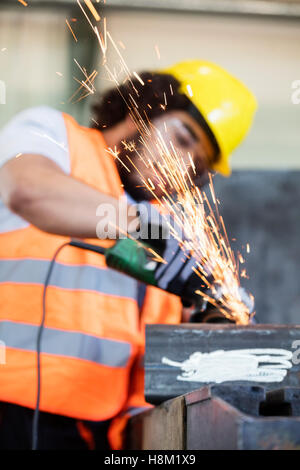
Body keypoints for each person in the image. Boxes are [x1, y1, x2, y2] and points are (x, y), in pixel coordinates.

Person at [0, 60, 257, 449]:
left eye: (199, 165)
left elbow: (159, 363)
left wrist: (215, 316)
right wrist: (148, 234)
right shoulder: (53, 136)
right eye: (183, 139)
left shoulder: (170, 233)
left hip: (101, 436)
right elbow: (30, 191)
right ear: (147, 107)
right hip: (10, 414)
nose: (183, 167)